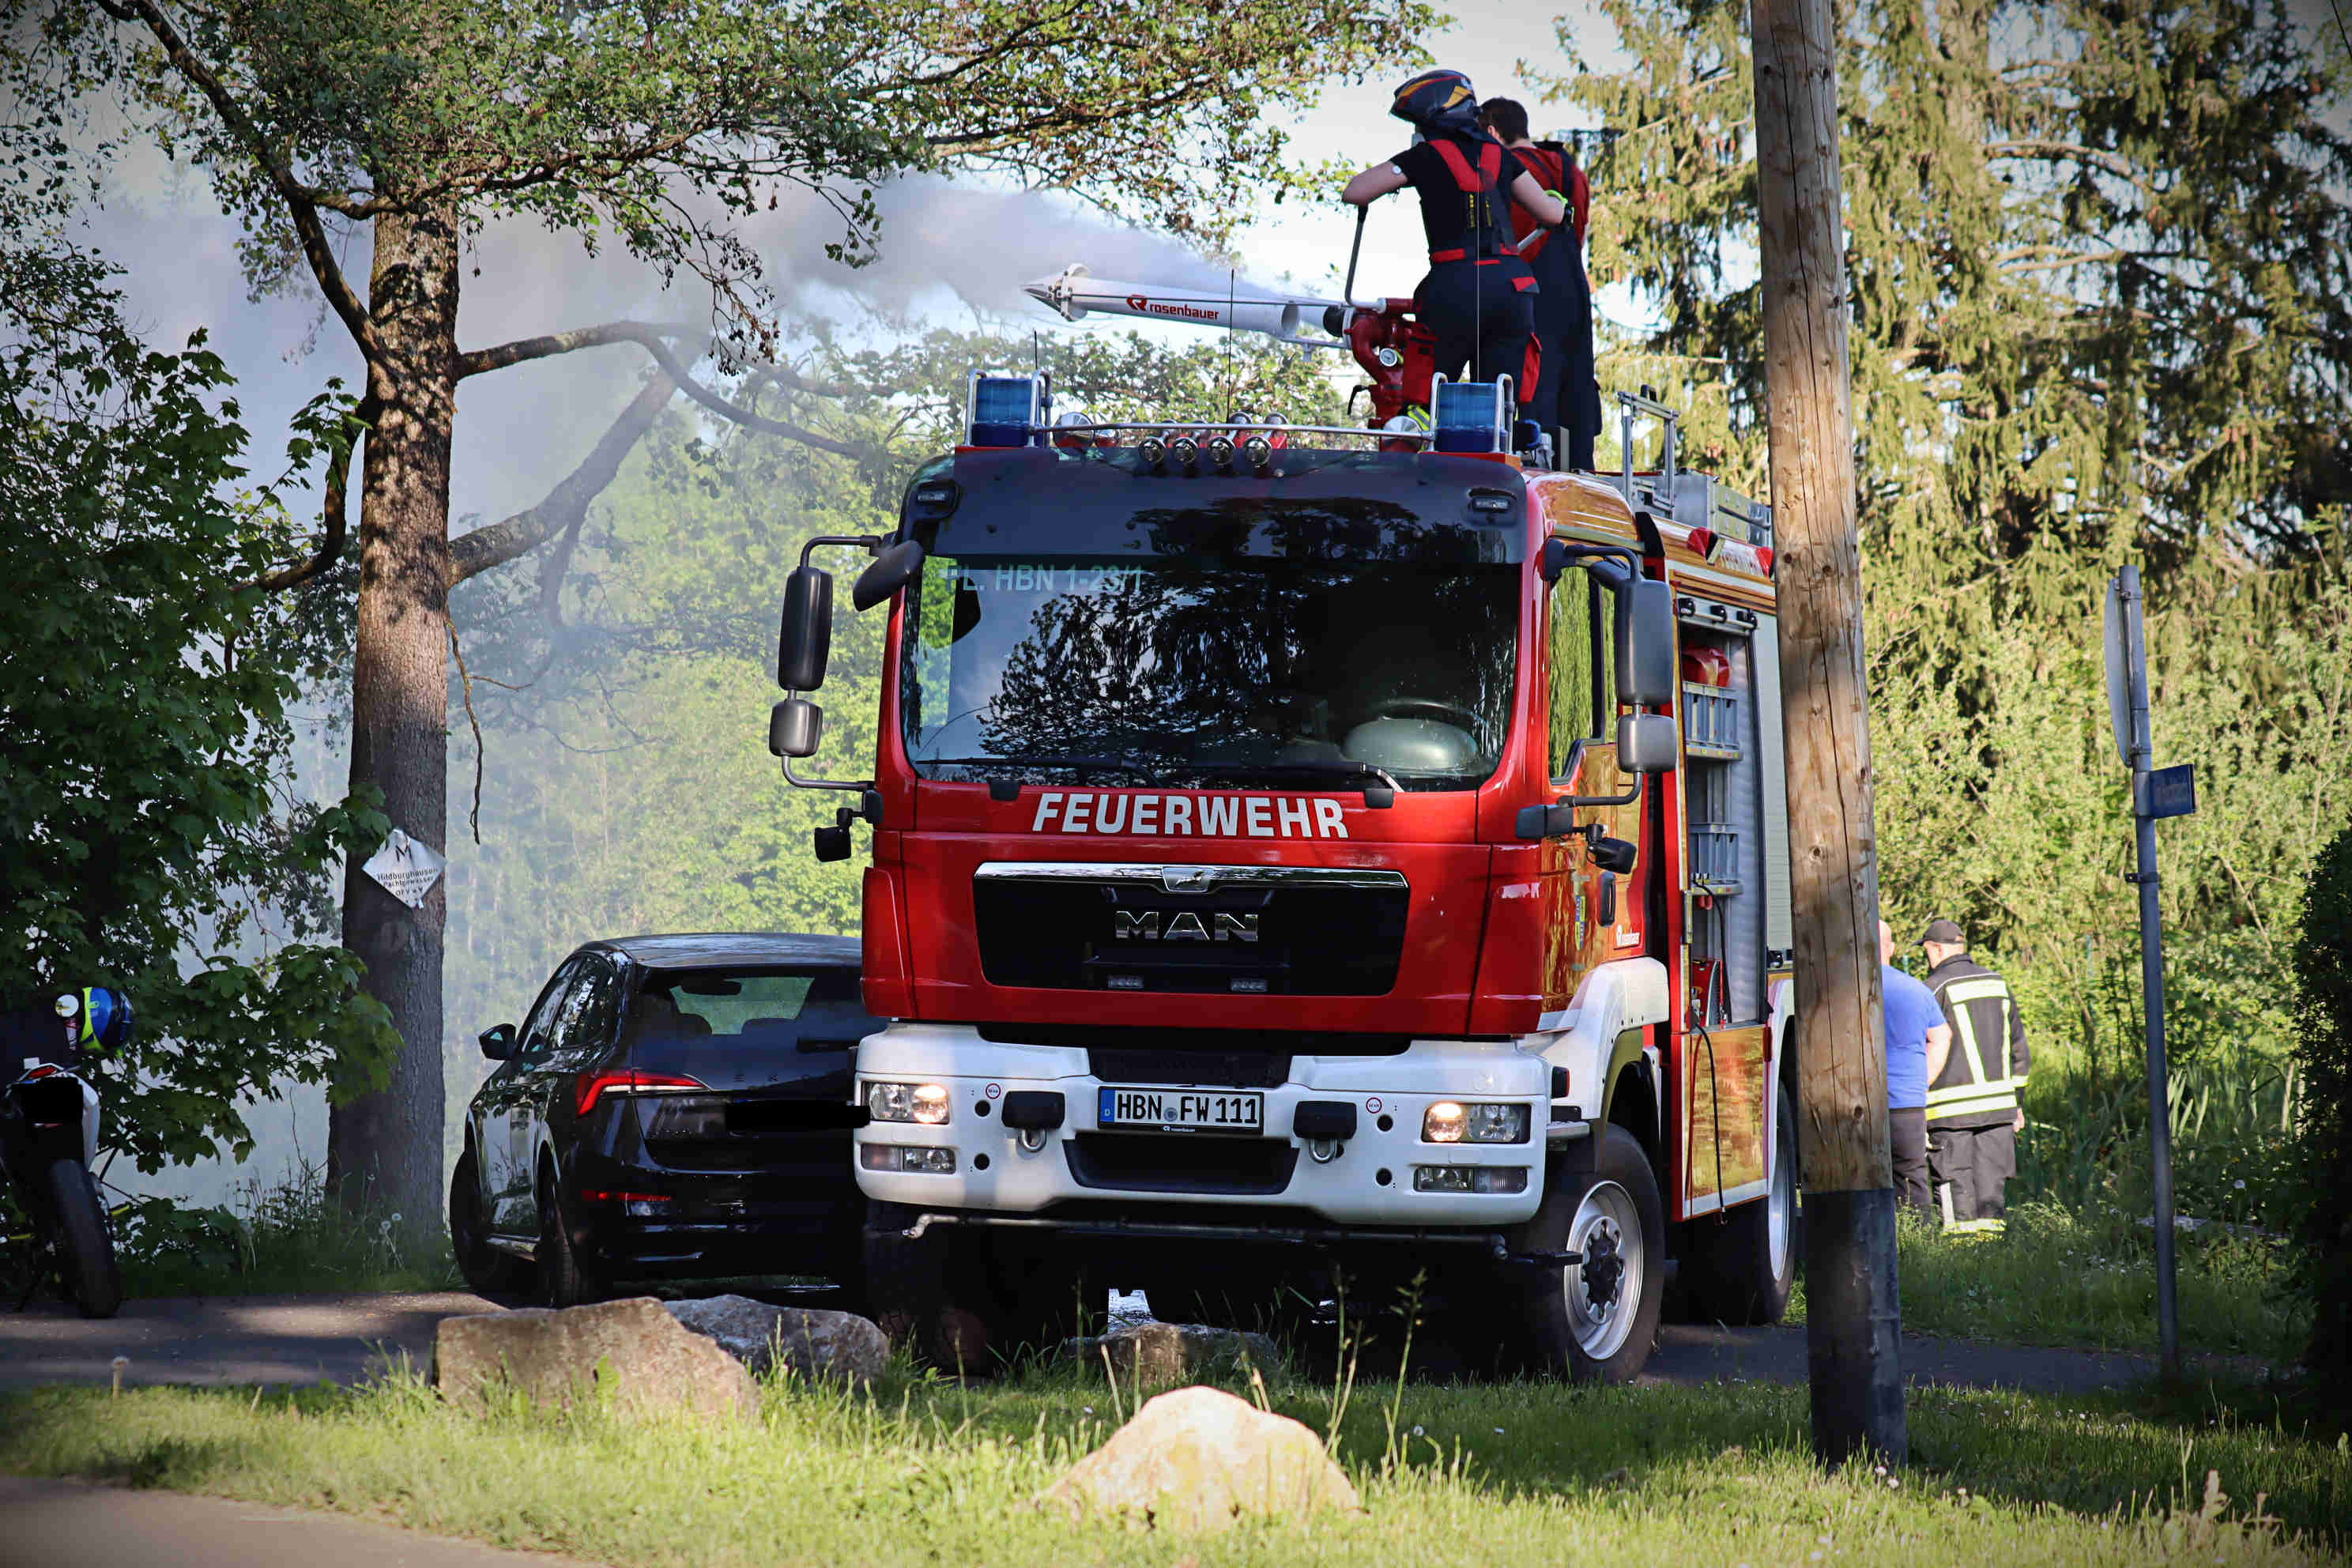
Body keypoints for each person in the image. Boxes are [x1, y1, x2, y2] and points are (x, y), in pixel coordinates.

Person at [1344, 70, 1567, 404]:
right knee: (1497, 407)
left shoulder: (1425, 155)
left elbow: (1355, 192)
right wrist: (1558, 201)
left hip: (1455, 290)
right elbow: (1551, 214)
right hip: (1511, 290)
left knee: (1427, 401)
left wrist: (1412, 166)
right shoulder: (1500, 155)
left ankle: (1420, 443)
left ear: (1432, 119)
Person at [1479, 97, 1601, 468]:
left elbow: (1510, 233)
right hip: (1575, 285)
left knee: (1535, 378)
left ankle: (1533, 466)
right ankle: (1581, 465)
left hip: (1534, 283)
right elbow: (1577, 231)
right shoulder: (1571, 171)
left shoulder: (1510, 168)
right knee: (1577, 377)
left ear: (1492, 131)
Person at [1920, 918, 2031, 1233]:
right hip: (1998, 1108)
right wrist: (2017, 1103)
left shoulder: (1931, 989)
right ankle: (1992, 1260)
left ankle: (1961, 1259)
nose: (1926, 959)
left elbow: (1920, 1049)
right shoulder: (1997, 983)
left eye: (1926, 951)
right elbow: (2019, 1049)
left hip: (1949, 1112)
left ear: (1938, 948)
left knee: (1955, 1186)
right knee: (1991, 1188)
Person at [1879, 919, 1949, 1219]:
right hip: (1907, 1103)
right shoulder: (1916, 990)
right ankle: (1919, 1246)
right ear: (1892, 949)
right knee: (1912, 1179)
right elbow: (1942, 1036)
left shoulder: (1846, 990)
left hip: (1857, 1107)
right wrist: (1924, 1081)